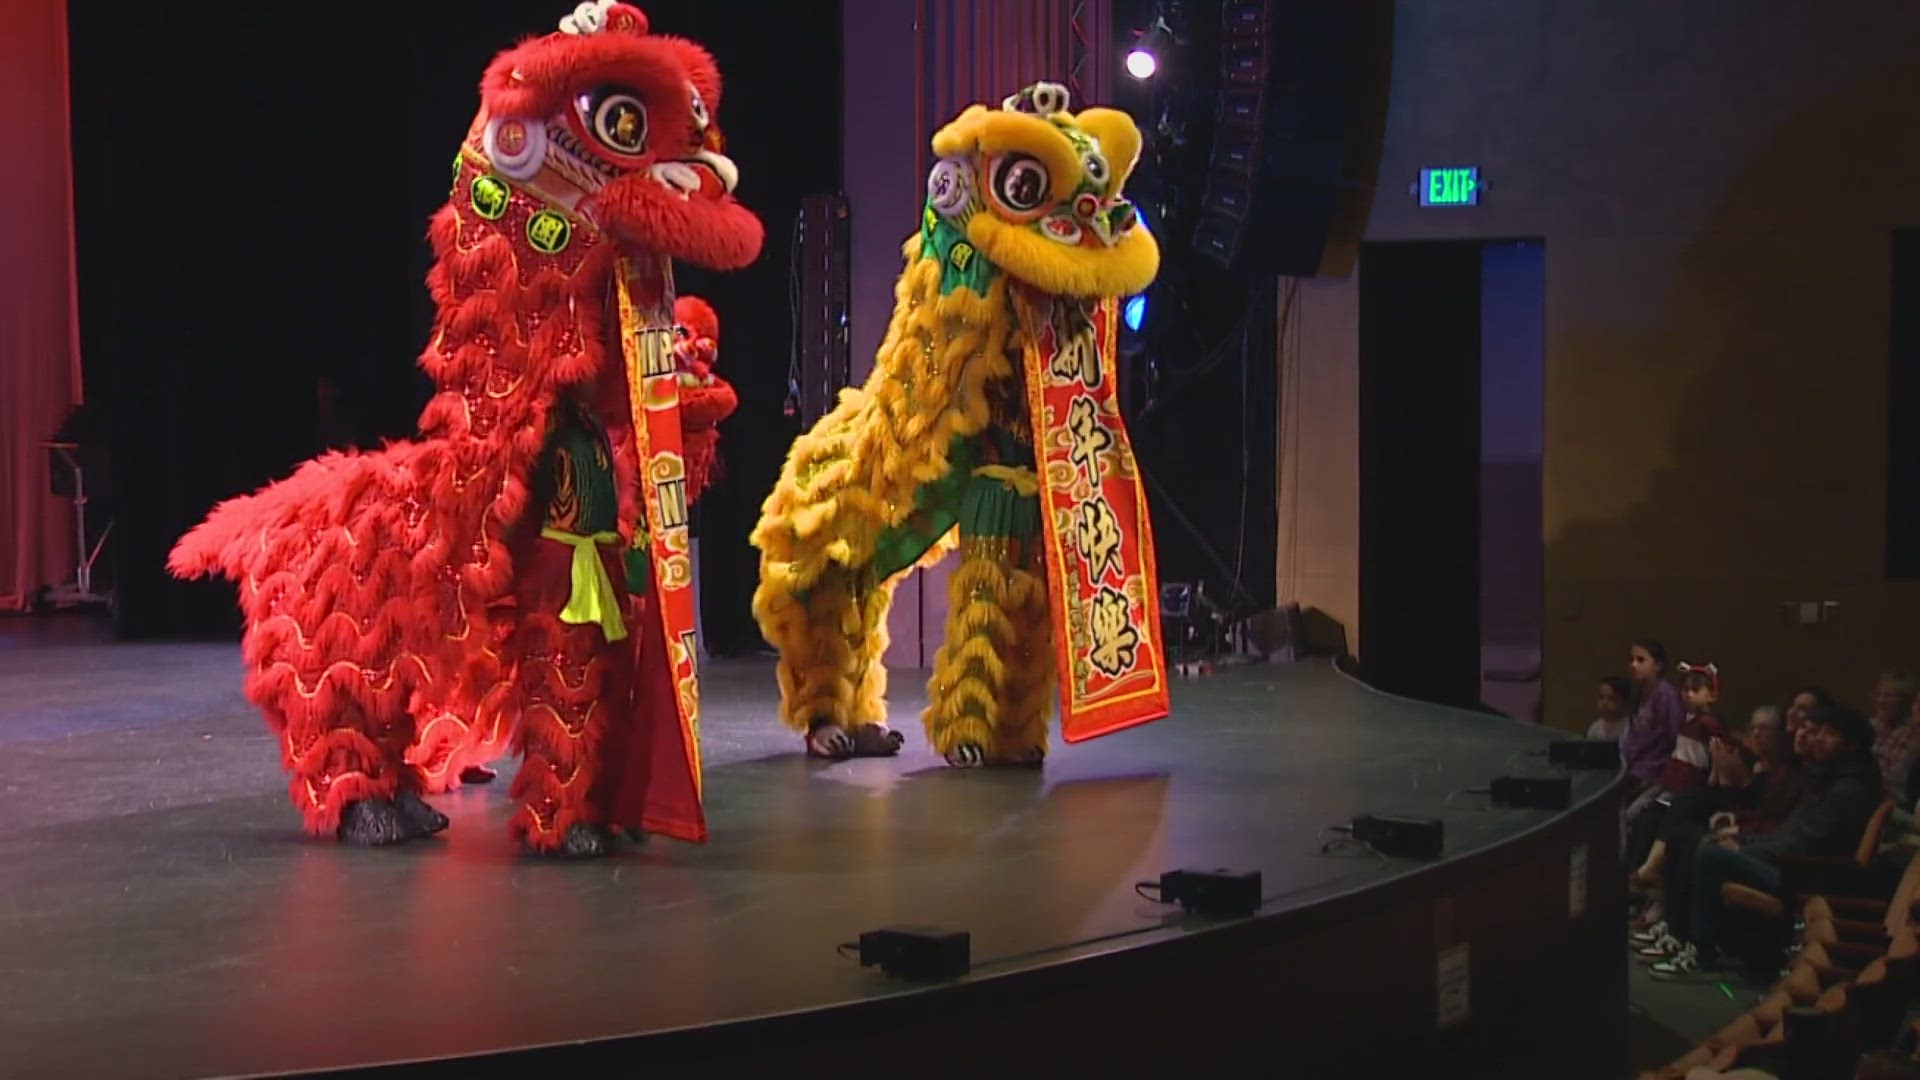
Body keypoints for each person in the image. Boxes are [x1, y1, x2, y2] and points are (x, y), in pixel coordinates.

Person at [165, 3, 763, 855]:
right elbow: (504, 344)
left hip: (586, 488)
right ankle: (359, 783)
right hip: (539, 484)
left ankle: (578, 801)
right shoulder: (523, 217)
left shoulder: (618, 309)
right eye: (626, 123)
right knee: (367, 625)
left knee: (588, 635)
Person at [1649, 704, 1882, 979]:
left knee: (1712, 855)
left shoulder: (1847, 790)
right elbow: (1788, 833)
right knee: (1709, 839)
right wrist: (1743, 841)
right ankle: (1692, 939)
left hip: (1807, 877)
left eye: (1829, 734)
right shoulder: (1827, 779)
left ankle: (1701, 950)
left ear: (1851, 744)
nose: (1818, 739)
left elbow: (1804, 845)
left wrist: (1745, 848)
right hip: (1789, 864)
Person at [1587, 675, 1632, 741]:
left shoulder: (1632, 727)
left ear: (1625, 702)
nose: (1604, 703)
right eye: (1601, 698)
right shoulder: (1595, 728)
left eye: (1612, 699)